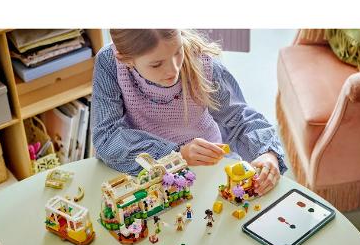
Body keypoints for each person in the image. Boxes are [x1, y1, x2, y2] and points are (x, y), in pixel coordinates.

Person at [92, 29, 287, 196]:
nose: (173, 70)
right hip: (148, 170)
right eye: (156, 64)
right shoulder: (110, 63)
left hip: (207, 165)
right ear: (125, 59)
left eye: (178, 52)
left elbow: (239, 117)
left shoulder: (202, 63)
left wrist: (267, 153)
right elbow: (106, 137)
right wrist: (176, 155)